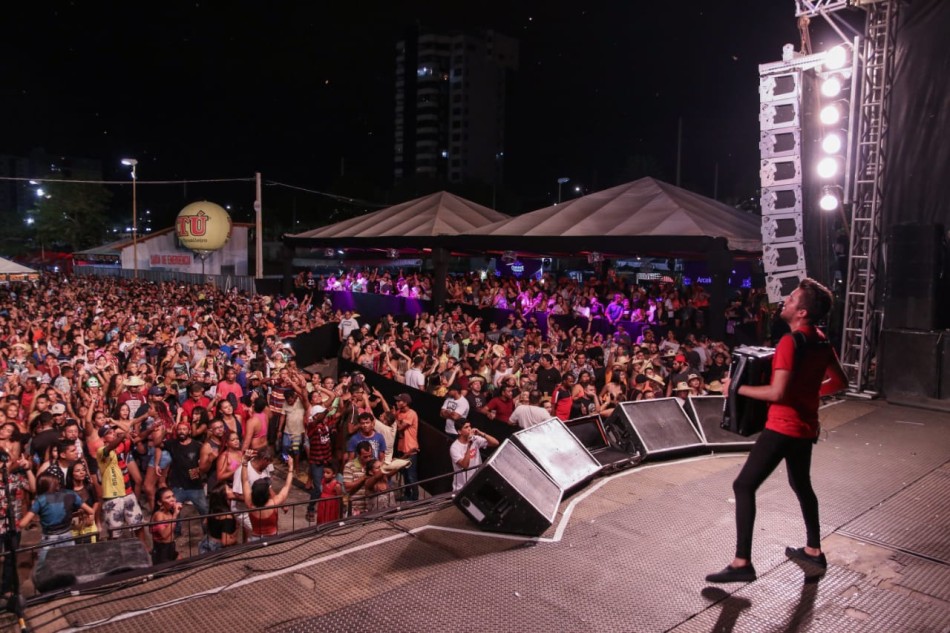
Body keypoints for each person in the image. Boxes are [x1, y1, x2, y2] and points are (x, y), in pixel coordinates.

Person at [706, 278, 847, 583]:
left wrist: (737, 388)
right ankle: (813, 550)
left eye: (793, 299)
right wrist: (807, 396)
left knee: (743, 486)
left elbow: (777, 394)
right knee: (802, 486)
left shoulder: (790, 342)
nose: (786, 300)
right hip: (806, 427)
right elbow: (839, 383)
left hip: (782, 427)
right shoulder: (821, 340)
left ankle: (742, 562)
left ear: (803, 313)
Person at [18, 472, 95, 563]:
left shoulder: (41, 500)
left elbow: (22, 524)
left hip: (49, 540)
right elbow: (91, 511)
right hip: (68, 537)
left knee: (44, 568)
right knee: (70, 565)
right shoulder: (70, 494)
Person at [239, 452, 293, 541]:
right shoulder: (274, 503)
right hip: (272, 539)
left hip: (254, 539)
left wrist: (244, 463)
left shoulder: (250, 504)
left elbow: (244, 481)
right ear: (267, 493)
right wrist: (291, 467)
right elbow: (287, 486)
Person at [449, 420, 499, 493]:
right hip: (462, 486)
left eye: (469, 426)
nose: (469, 429)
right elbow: (465, 465)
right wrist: (469, 445)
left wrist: (480, 433)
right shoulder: (454, 447)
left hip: (476, 482)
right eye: (466, 427)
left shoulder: (475, 438)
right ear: (459, 432)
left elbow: (495, 443)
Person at [149, 487, 182, 565]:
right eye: (168, 497)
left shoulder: (169, 512)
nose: (172, 499)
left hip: (171, 547)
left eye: (173, 496)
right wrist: (175, 515)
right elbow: (164, 535)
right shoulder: (159, 515)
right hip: (162, 550)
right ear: (160, 503)